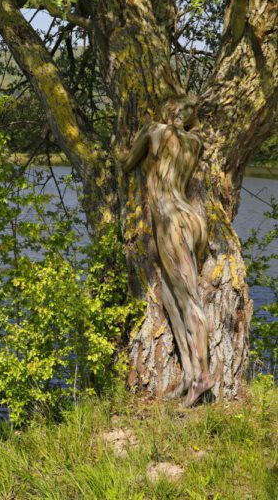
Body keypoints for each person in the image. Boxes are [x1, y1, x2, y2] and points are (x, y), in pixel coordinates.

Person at [123, 95, 213, 406]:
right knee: (171, 298)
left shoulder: (154, 131)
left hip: (171, 222)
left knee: (189, 302)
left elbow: (126, 163)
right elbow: (192, 140)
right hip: (191, 219)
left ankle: (203, 377)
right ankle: (189, 373)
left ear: (170, 110)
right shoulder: (195, 143)